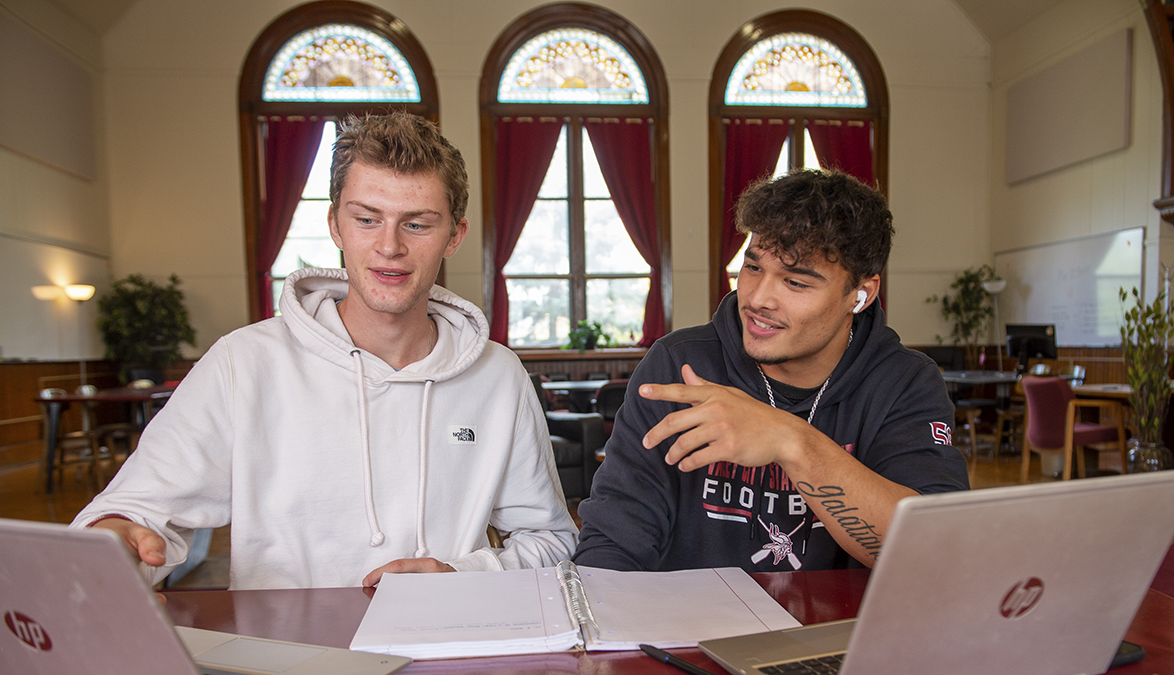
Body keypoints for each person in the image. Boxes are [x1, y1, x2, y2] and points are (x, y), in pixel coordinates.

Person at [71, 112, 577, 589]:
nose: (390, 246)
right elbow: (132, 515)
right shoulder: (242, 363)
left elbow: (552, 540)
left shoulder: (497, 374)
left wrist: (463, 580)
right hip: (284, 655)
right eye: (367, 219)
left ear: (454, 235)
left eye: (417, 223)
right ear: (335, 224)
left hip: (445, 649)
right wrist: (117, 539)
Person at [573, 169, 968, 572]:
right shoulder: (680, 364)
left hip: (837, 633)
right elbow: (612, 542)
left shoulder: (904, 381)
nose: (758, 299)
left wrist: (790, 440)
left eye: (796, 283)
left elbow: (930, 554)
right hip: (696, 628)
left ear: (860, 294)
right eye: (753, 267)